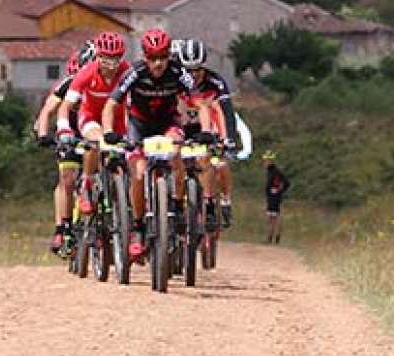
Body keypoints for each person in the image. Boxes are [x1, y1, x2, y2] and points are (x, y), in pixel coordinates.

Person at [102, 27, 194, 261]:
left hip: (167, 123)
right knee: (139, 173)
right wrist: (109, 132)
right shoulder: (135, 72)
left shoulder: (178, 72)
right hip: (139, 125)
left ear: (169, 56)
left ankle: (177, 208)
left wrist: (201, 125)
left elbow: (198, 101)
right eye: (153, 58)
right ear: (145, 57)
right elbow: (111, 105)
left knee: (176, 154)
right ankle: (139, 228)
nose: (158, 63)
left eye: (163, 57)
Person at [57, 31, 131, 227]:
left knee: (131, 157)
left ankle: (125, 205)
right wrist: (64, 129)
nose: (112, 65)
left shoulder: (127, 71)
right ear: (98, 56)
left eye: (116, 59)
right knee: (95, 142)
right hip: (89, 117)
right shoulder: (86, 73)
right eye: (107, 59)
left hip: (116, 121)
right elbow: (66, 106)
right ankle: (87, 186)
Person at [177, 37, 252, 230]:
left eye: (198, 70)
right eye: (189, 70)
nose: (194, 75)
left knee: (217, 161)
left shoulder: (215, 82)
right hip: (185, 126)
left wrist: (229, 139)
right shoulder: (176, 80)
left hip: (210, 126)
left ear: (204, 66)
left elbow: (227, 112)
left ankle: (219, 202)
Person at [33, 42, 94, 252]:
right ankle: (62, 229)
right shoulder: (68, 84)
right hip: (70, 133)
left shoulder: (107, 85)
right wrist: (43, 134)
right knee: (67, 178)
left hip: (94, 132)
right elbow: (47, 110)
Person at [263, 152, 290, 244]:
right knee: (270, 218)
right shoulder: (269, 172)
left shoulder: (276, 171)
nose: (264, 162)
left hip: (275, 198)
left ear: (270, 161)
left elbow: (286, 183)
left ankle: (275, 237)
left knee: (274, 218)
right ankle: (270, 237)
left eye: (266, 161)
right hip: (270, 198)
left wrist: (278, 190)